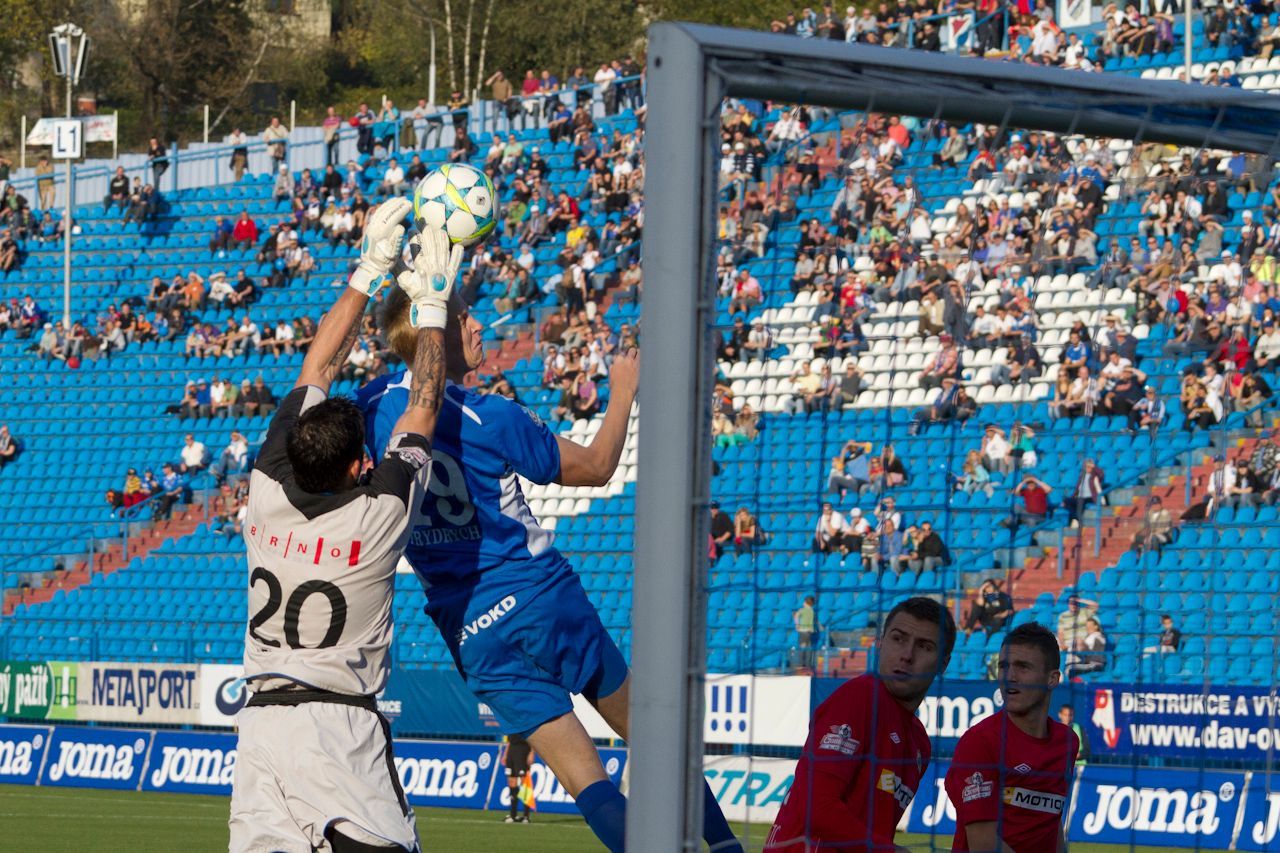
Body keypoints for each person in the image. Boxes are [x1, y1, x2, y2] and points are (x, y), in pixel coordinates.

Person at [356, 268, 742, 853]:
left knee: (590, 787)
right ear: (434, 331)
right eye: (462, 315)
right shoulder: (490, 416)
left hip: (471, 630)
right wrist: (622, 391)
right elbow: (596, 468)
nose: (478, 322)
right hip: (538, 597)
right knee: (658, 742)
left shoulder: (367, 407)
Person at [229, 198, 450, 853]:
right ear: (361, 462)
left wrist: (368, 268)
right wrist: (432, 305)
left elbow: (316, 367)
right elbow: (426, 400)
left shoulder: (265, 486)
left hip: (261, 732)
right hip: (338, 727)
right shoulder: (379, 516)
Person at [765, 597, 955, 852]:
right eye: (898, 639)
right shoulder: (861, 697)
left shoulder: (920, 743)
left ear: (943, 663)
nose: (907, 655)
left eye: (924, 646)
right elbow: (816, 807)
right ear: (880, 643)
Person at [945, 623, 1079, 853]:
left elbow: (1052, 821)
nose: (1010, 677)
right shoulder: (981, 742)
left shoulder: (1067, 742)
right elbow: (984, 845)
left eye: (1023, 667)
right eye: (1003, 666)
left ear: (1052, 679)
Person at [503, 733, 535, 823]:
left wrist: (532, 752)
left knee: (524, 782)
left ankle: (526, 816)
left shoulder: (526, 720)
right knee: (511, 782)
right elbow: (509, 740)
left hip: (523, 750)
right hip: (512, 750)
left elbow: (533, 738)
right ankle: (513, 815)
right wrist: (505, 754)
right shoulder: (512, 723)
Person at [793, 596, 818, 669]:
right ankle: (808, 664)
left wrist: (797, 625)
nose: (803, 603)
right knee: (809, 647)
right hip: (810, 631)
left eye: (804, 602)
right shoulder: (812, 611)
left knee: (802, 647)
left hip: (803, 631)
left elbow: (796, 616)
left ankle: (801, 664)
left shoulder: (802, 610)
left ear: (806, 603)